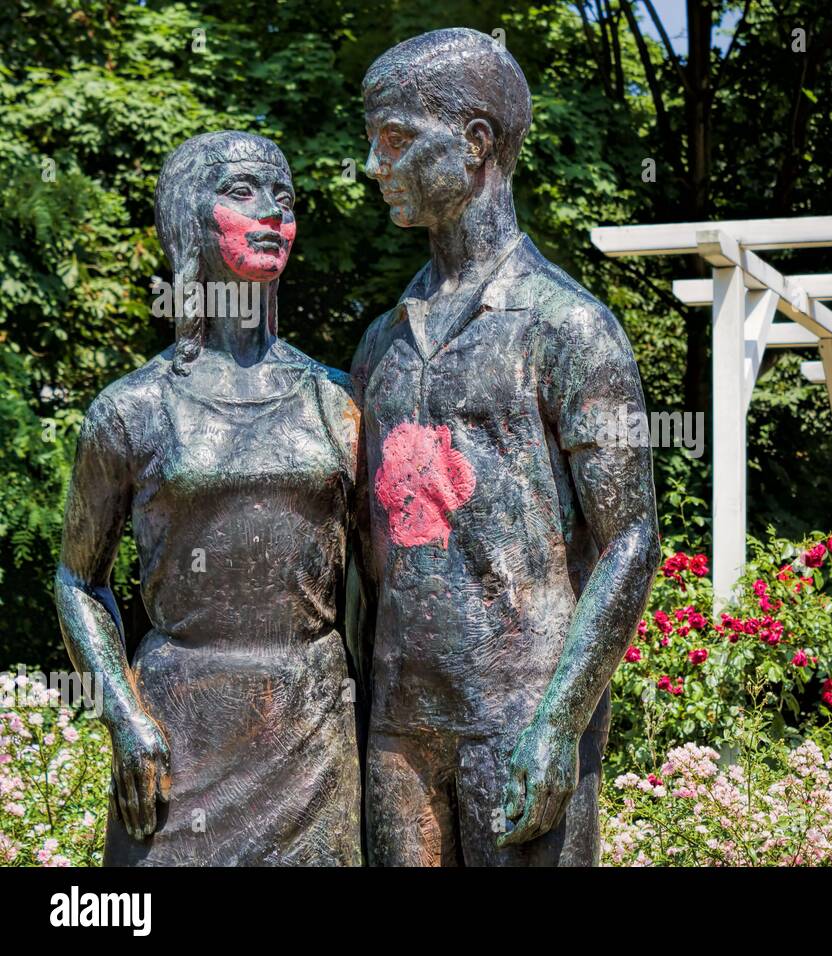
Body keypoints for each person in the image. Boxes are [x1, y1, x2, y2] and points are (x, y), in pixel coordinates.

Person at [352, 28, 659, 866]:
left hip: (517, 712)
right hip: (400, 729)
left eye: (396, 141)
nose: (374, 166)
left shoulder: (572, 328)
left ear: (476, 143)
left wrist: (561, 722)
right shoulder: (379, 343)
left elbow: (632, 539)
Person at [55, 131, 364, 866]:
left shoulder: (335, 399)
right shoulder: (133, 409)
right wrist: (124, 717)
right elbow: (77, 579)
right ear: (192, 217)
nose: (270, 215)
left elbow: (378, 583)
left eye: (284, 199)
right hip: (178, 723)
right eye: (243, 192)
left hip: (311, 723)